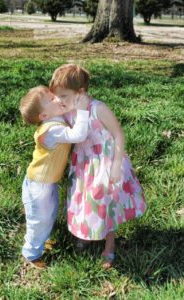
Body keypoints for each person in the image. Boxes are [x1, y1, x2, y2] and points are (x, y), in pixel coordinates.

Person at [49, 64, 146, 269]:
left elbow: (119, 134)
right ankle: (87, 232)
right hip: (83, 163)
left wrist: (117, 164)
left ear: (81, 92)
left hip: (105, 161)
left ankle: (109, 246)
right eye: (56, 96)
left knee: (106, 203)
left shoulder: (98, 108)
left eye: (64, 96)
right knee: (83, 199)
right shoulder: (69, 111)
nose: (59, 101)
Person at [19, 85, 89, 268]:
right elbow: (78, 135)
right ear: (43, 116)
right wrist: (82, 111)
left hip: (47, 182)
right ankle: (31, 253)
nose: (57, 99)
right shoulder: (51, 130)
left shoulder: (55, 119)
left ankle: (43, 239)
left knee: (49, 213)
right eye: (51, 100)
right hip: (39, 184)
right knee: (39, 218)